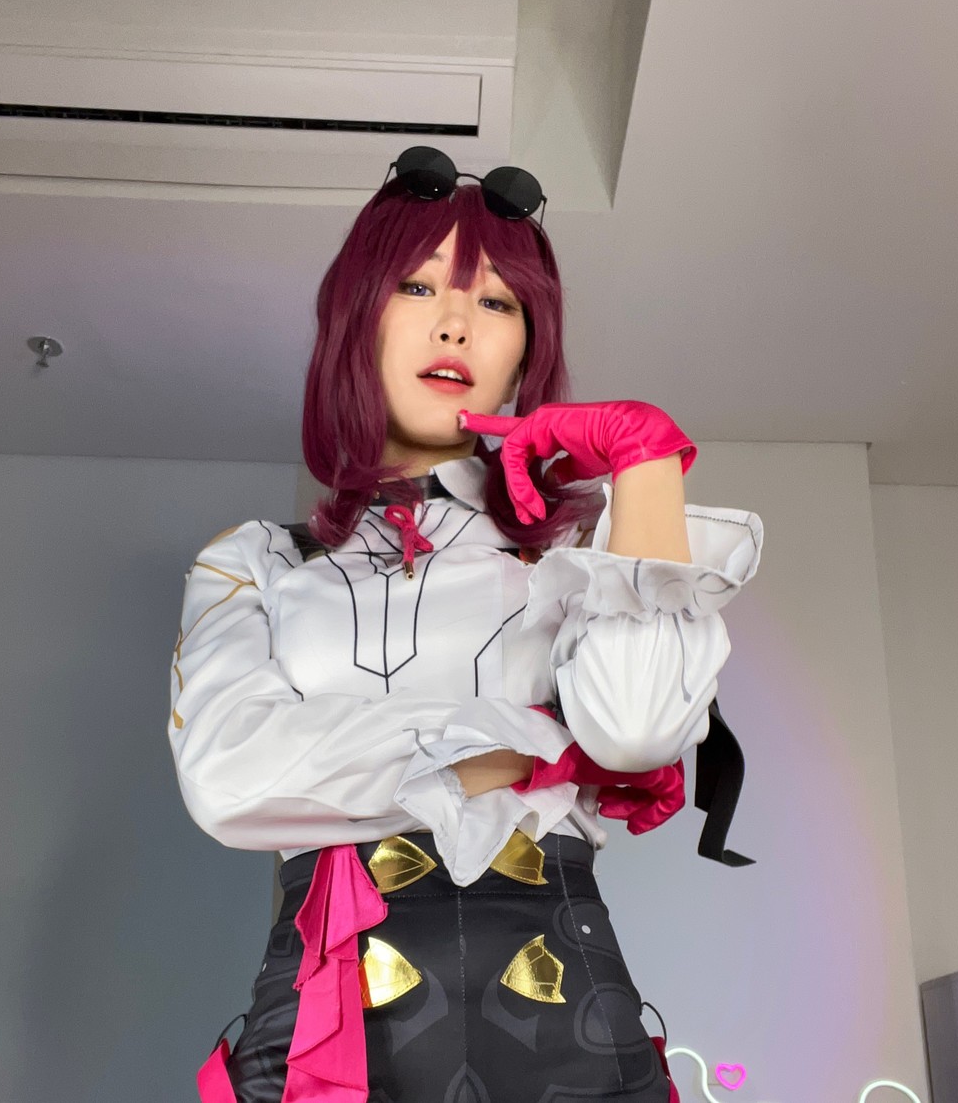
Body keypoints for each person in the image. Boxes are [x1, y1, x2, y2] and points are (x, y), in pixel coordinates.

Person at [169, 147, 764, 1103]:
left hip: (569, 1010)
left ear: (527, 349)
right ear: (356, 318)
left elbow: (636, 734)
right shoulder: (256, 561)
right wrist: (525, 741)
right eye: (417, 286)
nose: (456, 323)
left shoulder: (585, 551)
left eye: (496, 301)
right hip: (326, 1029)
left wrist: (647, 459)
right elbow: (227, 781)